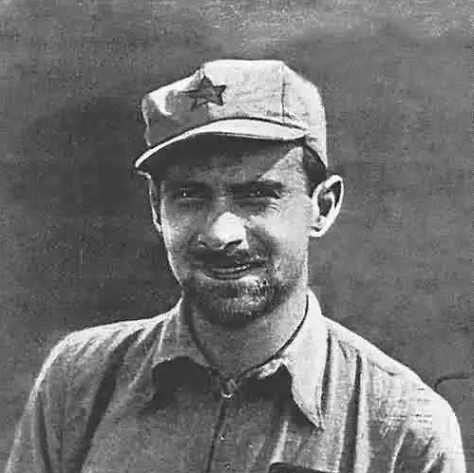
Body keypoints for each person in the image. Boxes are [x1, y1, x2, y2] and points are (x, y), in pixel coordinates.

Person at [6, 59, 466, 473]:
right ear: (156, 208)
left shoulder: (402, 429)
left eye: (257, 195)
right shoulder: (80, 381)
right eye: (189, 196)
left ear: (322, 206)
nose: (220, 233)